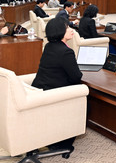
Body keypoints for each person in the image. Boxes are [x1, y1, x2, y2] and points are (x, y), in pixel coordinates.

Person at [31, 18, 83, 151]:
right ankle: (63, 143)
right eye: (68, 28)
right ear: (60, 31)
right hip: (54, 94)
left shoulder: (49, 46)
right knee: (85, 93)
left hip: (40, 90)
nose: (71, 30)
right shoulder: (66, 52)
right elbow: (76, 76)